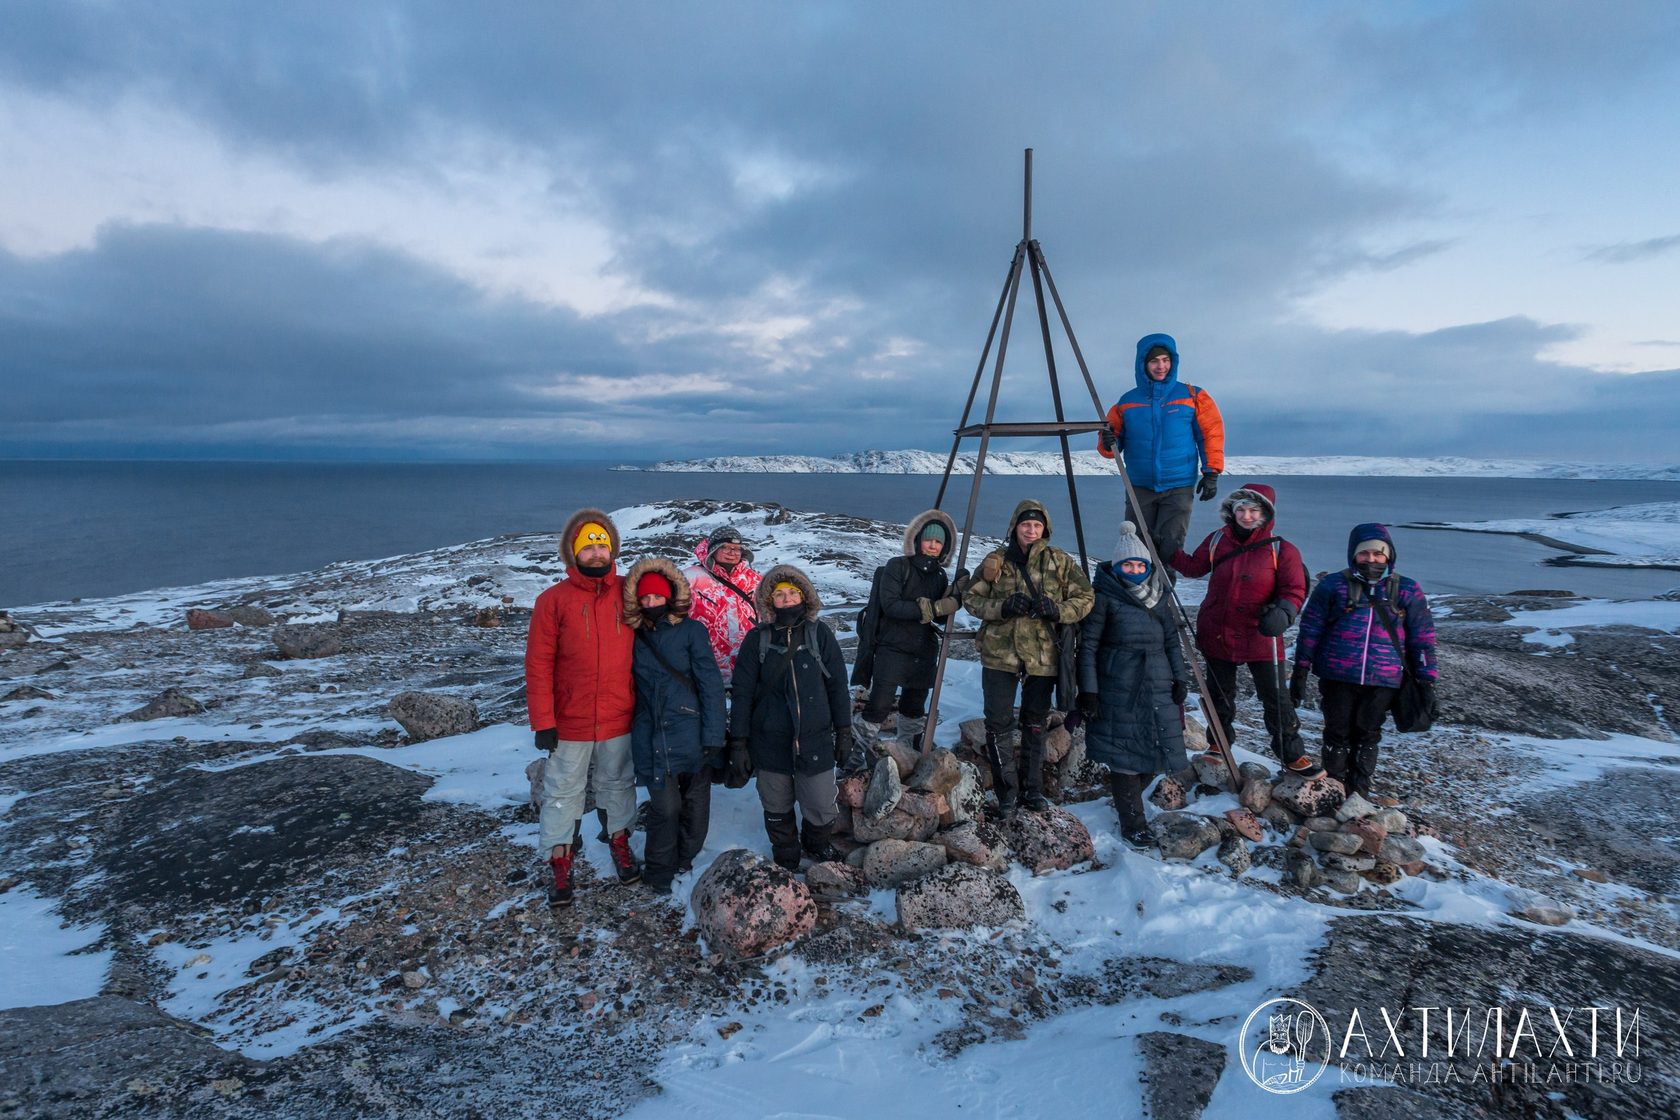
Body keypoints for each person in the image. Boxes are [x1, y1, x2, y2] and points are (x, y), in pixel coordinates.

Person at [526, 508, 642, 906]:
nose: (596, 552)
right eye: (587, 545)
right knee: (562, 791)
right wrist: (543, 720)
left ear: (613, 551)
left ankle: (620, 841)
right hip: (570, 719)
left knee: (618, 784)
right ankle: (559, 860)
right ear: (572, 553)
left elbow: (670, 602)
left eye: (602, 544)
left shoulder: (629, 592)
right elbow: (539, 665)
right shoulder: (552, 601)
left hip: (619, 714)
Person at [1171, 483, 1324, 777]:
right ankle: (1219, 744)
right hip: (1218, 630)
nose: (1247, 515)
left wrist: (1285, 612)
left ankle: (1292, 755)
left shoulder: (1283, 549)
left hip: (1262, 634)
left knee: (1275, 697)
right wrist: (1168, 550)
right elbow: (1193, 568)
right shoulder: (1217, 540)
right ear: (1232, 510)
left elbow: (1294, 589)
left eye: (1254, 510)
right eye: (1241, 509)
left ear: (1266, 514)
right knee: (1219, 694)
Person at [962, 500, 1095, 815]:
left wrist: (1059, 610)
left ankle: (1032, 791)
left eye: (1037, 525)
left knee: (1036, 721)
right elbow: (970, 598)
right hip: (999, 655)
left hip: (1043, 657)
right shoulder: (997, 562)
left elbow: (1086, 597)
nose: (1031, 530)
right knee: (998, 723)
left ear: (1045, 528)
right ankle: (1007, 794)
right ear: (1015, 526)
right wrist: (1002, 607)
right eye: (1026, 524)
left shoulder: (1059, 561)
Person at [1290, 524, 1439, 798]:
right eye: (1364, 554)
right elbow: (1310, 629)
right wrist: (1300, 669)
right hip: (1337, 676)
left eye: (1377, 554)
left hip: (1384, 679)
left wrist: (1427, 679)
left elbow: (1423, 639)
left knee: (1368, 734)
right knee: (1336, 732)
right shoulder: (1333, 585)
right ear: (1353, 555)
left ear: (1388, 556)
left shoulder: (1406, 589)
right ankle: (1334, 789)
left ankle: (1359, 793)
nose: (1371, 559)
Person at [728, 565, 852, 870]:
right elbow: (742, 694)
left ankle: (816, 845)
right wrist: (739, 742)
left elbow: (837, 685)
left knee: (822, 804)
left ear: (804, 596)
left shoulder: (819, 634)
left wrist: (845, 729)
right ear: (770, 602)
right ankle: (785, 855)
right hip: (770, 741)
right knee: (776, 805)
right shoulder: (757, 639)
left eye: (792, 593)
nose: (786, 599)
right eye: (779, 594)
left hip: (815, 739)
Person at [1077, 522, 1191, 848]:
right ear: (1117, 567)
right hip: (1120, 688)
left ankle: (1127, 803)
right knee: (1124, 757)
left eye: (1141, 564)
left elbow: (1172, 642)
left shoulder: (1159, 599)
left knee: (1156, 751)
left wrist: (1180, 677)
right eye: (1129, 564)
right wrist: (1089, 690)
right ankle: (1133, 823)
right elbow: (1088, 648)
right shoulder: (1105, 599)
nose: (1136, 569)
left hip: (1157, 685)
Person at [622, 557, 727, 895]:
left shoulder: (692, 631)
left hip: (692, 733)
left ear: (671, 597)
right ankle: (658, 872)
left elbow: (710, 685)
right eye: (645, 598)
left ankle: (685, 857)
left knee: (696, 808)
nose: (651, 603)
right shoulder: (632, 636)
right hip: (651, 735)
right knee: (664, 808)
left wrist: (713, 736)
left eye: (657, 597)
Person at [1095, 333, 1226, 568]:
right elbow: (1111, 446)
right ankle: (1138, 597)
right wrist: (1107, 441)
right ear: (1143, 363)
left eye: (1166, 360)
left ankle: (1164, 598)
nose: (1161, 366)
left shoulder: (1193, 396)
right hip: (1140, 485)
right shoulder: (1127, 401)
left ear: (1173, 362)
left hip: (1179, 485)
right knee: (1137, 545)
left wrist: (1211, 472)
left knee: (1171, 547)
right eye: (1155, 361)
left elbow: (1210, 434)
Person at [849, 510, 965, 771]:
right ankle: (856, 758)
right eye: (929, 540)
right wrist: (932, 608)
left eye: (939, 542)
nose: (933, 545)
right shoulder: (897, 566)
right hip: (893, 647)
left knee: (914, 707)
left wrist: (956, 594)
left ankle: (906, 757)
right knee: (878, 705)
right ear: (917, 540)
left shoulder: (939, 576)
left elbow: (938, 619)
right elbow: (891, 606)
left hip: (923, 651)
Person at [684, 525, 763, 689]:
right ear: (713, 550)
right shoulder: (691, 578)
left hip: (748, 667)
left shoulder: (754, 580)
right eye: (725, 547)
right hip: (705, 668)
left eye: (736, 548)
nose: (732, 552)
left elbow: (768, 616)